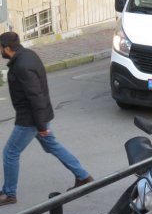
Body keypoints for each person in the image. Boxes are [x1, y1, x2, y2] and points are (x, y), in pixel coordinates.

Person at [0, 32, 93, 205]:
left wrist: (41, 125)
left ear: (6, 48)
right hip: (39, 115)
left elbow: (36, 96)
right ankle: (83, 176)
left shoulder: (21, 65)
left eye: (0, 48)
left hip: (30, 119)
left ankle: (9, 194)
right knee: (53, 146)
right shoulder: (28, 55)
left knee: (10, 153)